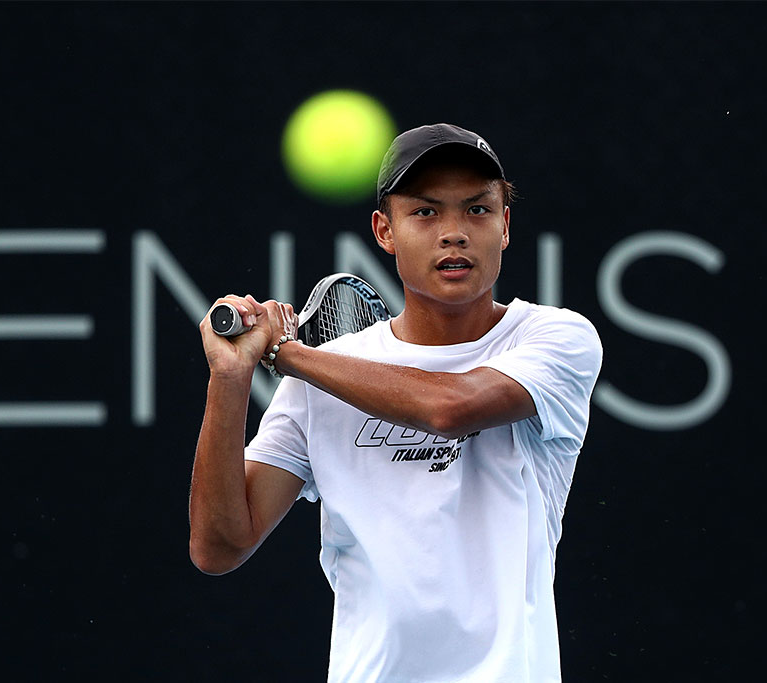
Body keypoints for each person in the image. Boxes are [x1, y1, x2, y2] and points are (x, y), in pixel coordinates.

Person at [189, 123, 603, 682]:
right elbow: (218, 547)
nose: (454, 233)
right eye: (426, 213)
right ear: (385, 231)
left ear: (505, 226)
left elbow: (450, 408)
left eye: (477, 210)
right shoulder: (324, 379)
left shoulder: (556, 339)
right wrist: (231, 377)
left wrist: (287, 354)